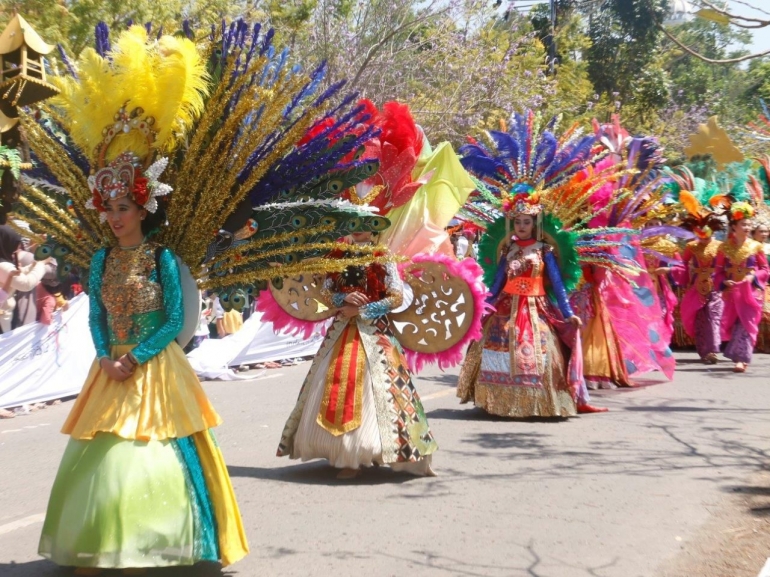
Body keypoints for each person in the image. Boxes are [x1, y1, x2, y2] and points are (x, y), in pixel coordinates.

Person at [277, 231, 438, 479]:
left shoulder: (383, 256)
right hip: (342, 329)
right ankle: (348, 457)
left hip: (375, 331)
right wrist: (343, 299)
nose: (361, 229)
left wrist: (362, 309)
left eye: (366, 224)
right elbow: (326, 290)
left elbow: (395, 296)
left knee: (384, 389)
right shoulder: (338, 256)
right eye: (356, 224)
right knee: (336, 384)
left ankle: (376, 450)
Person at [457, 200, 586, 417]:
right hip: (505, 307)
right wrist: (484, 306)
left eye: (526, 222)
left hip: (537, 308)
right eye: (518, 222)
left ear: (534, 225)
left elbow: (557, 284)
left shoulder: (545, 251)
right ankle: (496, 401)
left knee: (543, 346)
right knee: (495, 341)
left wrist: (568, 313)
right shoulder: (509, 249)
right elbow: (498, 282)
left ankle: (540, 403)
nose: (522, 226)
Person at [714, 202, 769, 372]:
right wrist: (724, 282)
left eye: (749, 224)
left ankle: (741, 359)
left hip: (751, 293)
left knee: (747, 323)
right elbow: (718, 271)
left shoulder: (756, 246)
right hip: (732, 293)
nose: (747, 227)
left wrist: (753, 276)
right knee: (736, 324)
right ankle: (739, 356)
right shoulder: (724, 248)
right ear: (733, 227)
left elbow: (765, 269)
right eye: (743, 224)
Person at [0, 225, 45, 334]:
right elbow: (26, 284)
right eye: (15, 245)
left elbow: (6, 287)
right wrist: (41, 264)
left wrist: (31, 267)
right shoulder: (3, 265)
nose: (17, 249)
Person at [752, 219, 770, 353]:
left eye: (766, 231)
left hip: (768, 283)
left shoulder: (769, 247)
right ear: (754, 233)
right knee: (762, 313)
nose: (764, 234)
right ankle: (759, 344)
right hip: (755, 284)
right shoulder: (750, 247)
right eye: (761, 231)